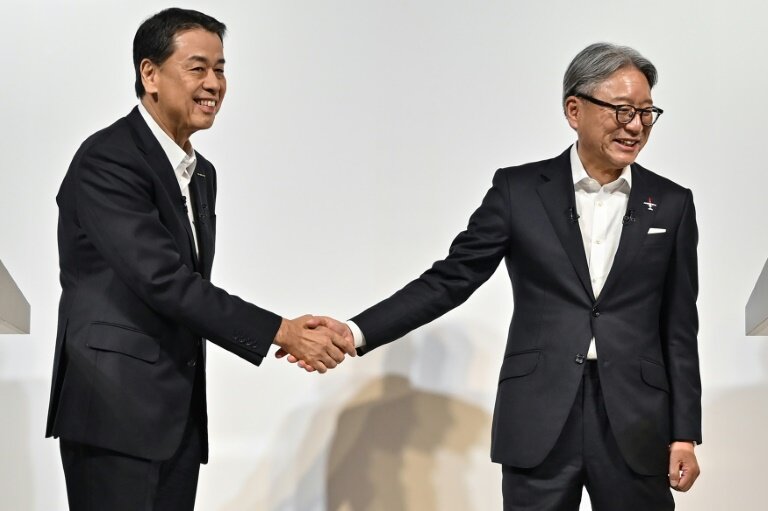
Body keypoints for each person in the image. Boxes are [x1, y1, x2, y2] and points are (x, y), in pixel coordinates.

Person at [291, 42, 702, 510]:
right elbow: (450, 280)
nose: (635, 126)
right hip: (540, 414)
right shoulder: (519, 190)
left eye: (647, 113)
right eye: (623, 110)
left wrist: (684, 433)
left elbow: (678, 327)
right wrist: (354, 331)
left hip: (636, 419)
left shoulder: (672, 202)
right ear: (574, 109)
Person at [45, 8, 353, 510]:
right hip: (113, 412)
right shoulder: (108, 159)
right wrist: (283, 330)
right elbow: (164, 280)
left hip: (176, 416)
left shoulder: (201, 172)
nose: (214, 83)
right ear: (150, 74)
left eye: (221, 69)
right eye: (198, 68)